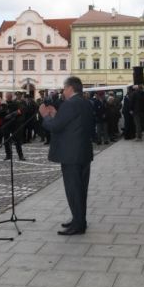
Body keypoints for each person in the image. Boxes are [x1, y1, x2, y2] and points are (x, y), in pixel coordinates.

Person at [39, 76, 94, 236]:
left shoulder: (70, 104)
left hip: (71, 155)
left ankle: (78, 225)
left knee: (74, 190)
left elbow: (55, 127)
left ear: (70, 88)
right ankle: (79, 219)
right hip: (83, 152)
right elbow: (71, 124)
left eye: (64, 88)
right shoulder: (85, 102)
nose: (63, 91)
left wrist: (46, 116)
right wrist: (57, 114)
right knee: (81, 189)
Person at [1, 92, 26, 160]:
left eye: (10, 96)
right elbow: (1, 114)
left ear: (11, 97)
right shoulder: (3, 104)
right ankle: (8, 155)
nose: (8, 97)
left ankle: (20, 155)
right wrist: (5, 116)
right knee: (6, 141)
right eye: (7, 96)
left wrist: (11, 115)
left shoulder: (16, 103)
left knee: (17, 141)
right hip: (6, 124)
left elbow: (20, 111)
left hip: (14, 124)